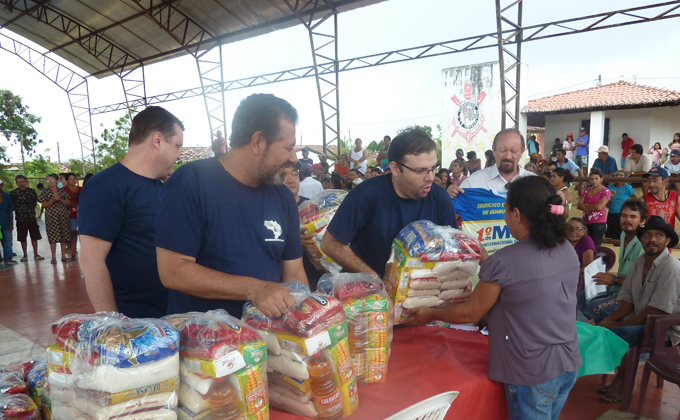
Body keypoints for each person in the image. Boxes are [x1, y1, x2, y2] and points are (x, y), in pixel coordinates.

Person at [406, 176, 581, 420]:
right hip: (565, 364)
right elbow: (535, 301)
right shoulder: (566, 249)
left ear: (517, 215)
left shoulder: (506, 261)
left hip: (531, 374)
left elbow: (470, 312)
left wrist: (429, 312)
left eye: (507, 210)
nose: (506, 217)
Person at [156, 93, 306, 317]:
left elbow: (293, 271)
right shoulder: (191, 182)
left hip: (269, 342)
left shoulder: (282, 196)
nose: (294, 158)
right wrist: (256, 289)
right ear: (258, 142)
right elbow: (173, 271)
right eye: (288, 148)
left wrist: (309, 319)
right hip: (206, 344)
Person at [80, 106, 184, 318]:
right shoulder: (106, 186)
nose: (179, 155)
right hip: (133, 319)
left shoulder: (161, 189)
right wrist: (113, 324)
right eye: (177, 146)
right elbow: (91, 260)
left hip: (168, 315)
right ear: (157, 140)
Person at [321, 127, 458, 278]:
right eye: (420, 171)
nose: (431, 177)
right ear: (395, 168)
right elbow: (330, 244)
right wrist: (375, 280)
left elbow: (452, 248)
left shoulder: (439, 197)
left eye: (433, 168)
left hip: (420, 293)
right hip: (369, 295)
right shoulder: (365, 195)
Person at [594, 216, 680, 403]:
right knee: (603, 325)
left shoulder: (672, 267)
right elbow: (627, 300)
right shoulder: (639, 263)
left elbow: (657, 311)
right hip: (644, 321)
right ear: (641, 239)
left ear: (667, 240)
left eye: (658, 235)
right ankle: (621, 378)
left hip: (665, 329)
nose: (652, 239)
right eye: (647, 235)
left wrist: (618, 325)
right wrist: (610, 320)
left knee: (619, 334)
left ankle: (626, 383)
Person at [578, 198, 647, 321]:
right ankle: (604, 326)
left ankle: (608, 329)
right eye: (624, 216)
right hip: (618, 289)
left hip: (633, 296)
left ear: (642, 221)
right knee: (582, 297)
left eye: (633, 216)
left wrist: (614, 279)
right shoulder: (623, 235)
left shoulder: (644, 243)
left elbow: (642, 283)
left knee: (595, 306)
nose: (627, 220)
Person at [448, 129, 534, 196]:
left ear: (522, 152)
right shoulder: (473, 183)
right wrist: (447, 198)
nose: (508, 156)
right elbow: (454, 214)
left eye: (514, 151)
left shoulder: (534, 183)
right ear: (494, 150)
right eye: (502, 150)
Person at [642, 166, 680, 257]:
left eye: (655, 180)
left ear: (665, 181)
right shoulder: (643, 200)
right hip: (648, 247)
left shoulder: (675, 197)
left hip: (666, 246)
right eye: (649, 181)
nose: (651, 184)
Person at [39, 173, 72, 264]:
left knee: (64, 236)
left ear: (57, 181)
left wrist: (60, 199)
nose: (50, 182)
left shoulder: (62, 191)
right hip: (51, 217)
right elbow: (44, 205)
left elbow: (69, 203)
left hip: (63, 216)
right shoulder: (45, 192)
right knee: (52, 237)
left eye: (52, 180)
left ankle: (63, 256)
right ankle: (53, 257)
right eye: (48, 180)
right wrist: (53, 200)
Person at [9, 175, 43, 262]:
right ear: (16, 183)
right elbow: (12, 205)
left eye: (22, 181)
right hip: (20, 218)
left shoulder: (32, 191)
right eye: (19, 182)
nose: (21, 184)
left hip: (31, 217)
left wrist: (30, 210)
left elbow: (35, 202)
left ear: (26, 182)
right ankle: (25, 255)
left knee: (34, 236)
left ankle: (36, 254)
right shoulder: (13, 193)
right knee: (22, 237)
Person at [577, 168, 610, 246]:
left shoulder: (605, 191)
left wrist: (585, 205)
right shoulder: (587, 190)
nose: (594, 181)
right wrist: (594, 206)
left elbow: (599, 207)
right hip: (585, 221)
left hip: (598, 223)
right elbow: (579, 205)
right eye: (592, 179)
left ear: (601, 179)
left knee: (595, 246)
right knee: (584, 245)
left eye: (596, 178)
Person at [605, 170, 636, 239]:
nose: (618, 176)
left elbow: (635, 198)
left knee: (621, 233)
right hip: (612, 213)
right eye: (617, 175)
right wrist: (610, 197)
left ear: (625, 178)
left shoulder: (627, 187)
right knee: (611, 233)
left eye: (621, 175)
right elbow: (606, 203)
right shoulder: (610, 187)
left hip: (623, 214)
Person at [63, 172, 81, 261]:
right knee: (73, 233)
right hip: (69, 214)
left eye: (74, 178)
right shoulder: (64, 190)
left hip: (81, 214)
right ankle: (73, 252)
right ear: (67, 180)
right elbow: (65, 202)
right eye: (70, 179)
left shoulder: (81, 189)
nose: (73, 180)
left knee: (83, 234)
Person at [0, 180, 15, 264]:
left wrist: (11, 223)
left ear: (1, 185)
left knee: (8, 241)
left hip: (6, 222)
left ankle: (8, 258)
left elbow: (10, 210)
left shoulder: (6, 196)